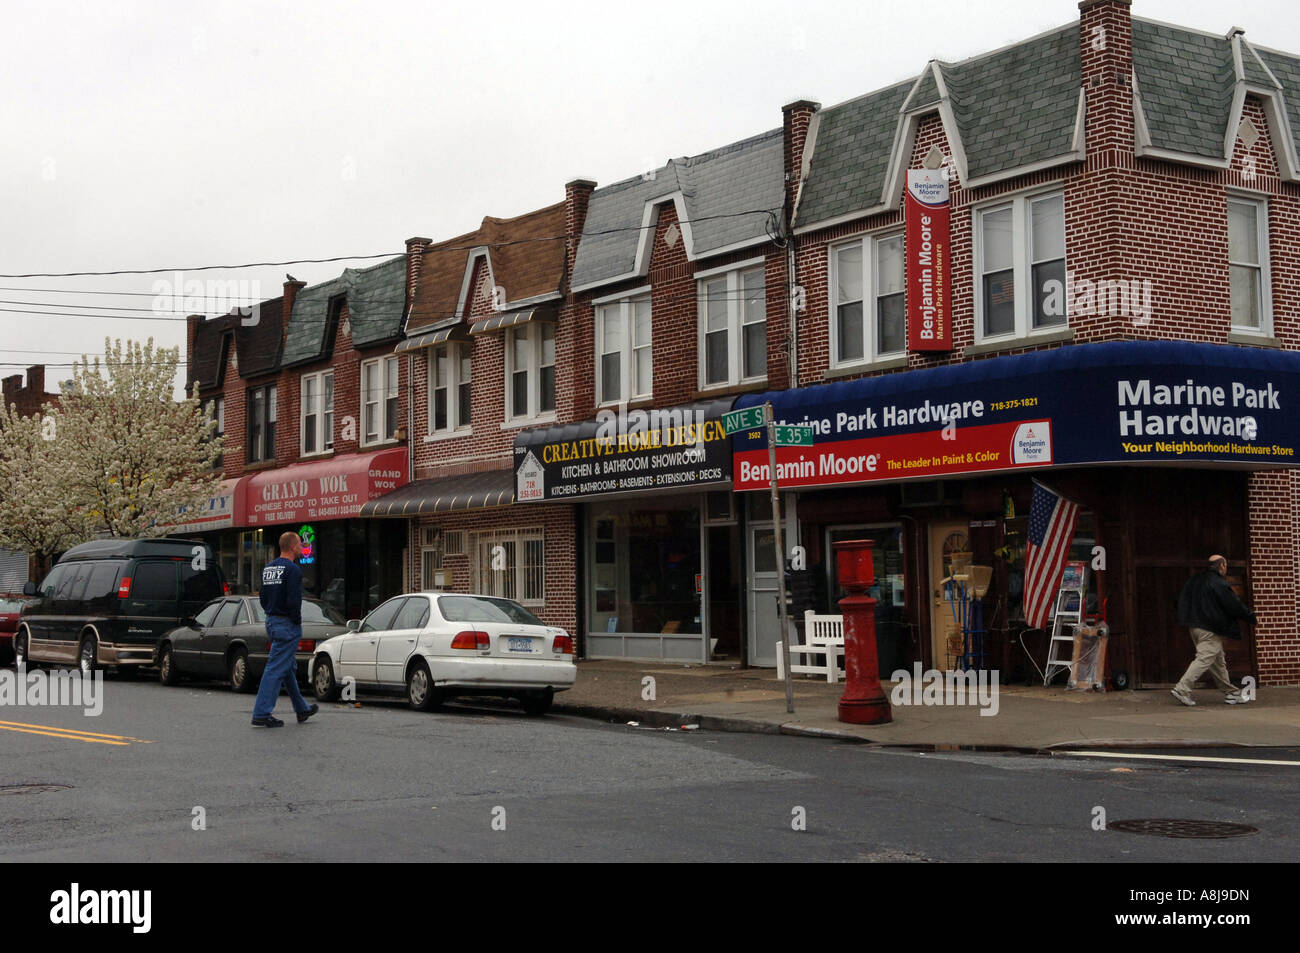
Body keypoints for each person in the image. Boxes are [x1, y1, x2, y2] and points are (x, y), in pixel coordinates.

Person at [251, 532, 319, 727]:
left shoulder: (269, 568)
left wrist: (272, 612)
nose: (302, 546)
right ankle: (262, 712)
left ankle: (302, 709)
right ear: (292, 547)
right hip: (286, 624)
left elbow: (263, 597)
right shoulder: (293, 570)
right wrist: (295, 621)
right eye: (299, 543)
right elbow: (293, 601)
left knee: (286, 666)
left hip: (272, 620)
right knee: (275, 668)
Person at [1171, 554, 1255, 707]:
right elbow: (1233, 604)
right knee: (1204, 658)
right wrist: (1250, 617)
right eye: (1226, 566)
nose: (1226, 569)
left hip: (1194, 626)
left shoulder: (1194, 580)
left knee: (1217, 661)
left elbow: (1179, 600)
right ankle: (1182, 689)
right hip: (1209, 628)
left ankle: (1232, 693)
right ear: (1222, 566)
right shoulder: (1218, 582)